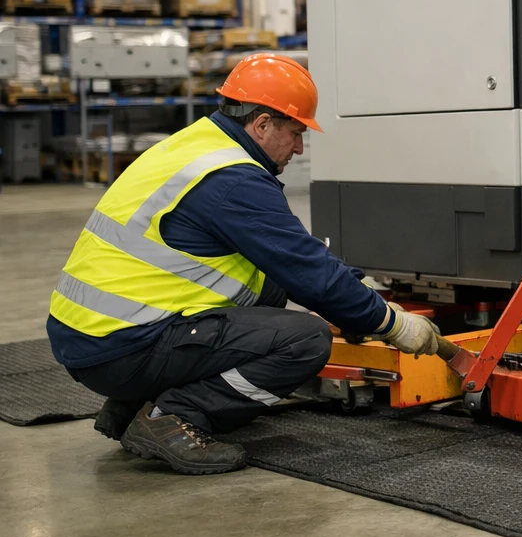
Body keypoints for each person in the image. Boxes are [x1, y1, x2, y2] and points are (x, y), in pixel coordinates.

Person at [47, 53, 442, 475]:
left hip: (93, 337)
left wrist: (360, 295)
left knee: (268, 284)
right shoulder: (232, 178)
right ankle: (172, 418)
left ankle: (129, 406)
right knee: (304, 340)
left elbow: (291, 257)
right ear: (262, 124)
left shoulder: (198, 147)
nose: (298, 146)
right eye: (294, 132)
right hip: (121, 349)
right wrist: (391, 324)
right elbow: (308, 271)